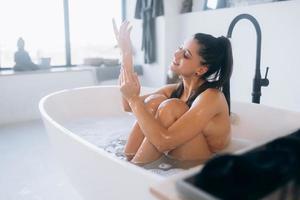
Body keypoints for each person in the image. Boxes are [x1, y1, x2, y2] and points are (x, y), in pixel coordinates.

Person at [113, 20, 233, 165]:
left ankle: (134, 170)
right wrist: (126, 53)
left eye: (186, 55)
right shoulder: (175, 90)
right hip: (174, 159)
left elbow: (164, 142)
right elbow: (127, 106)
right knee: (153, 102)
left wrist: (133, 99)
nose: (176, 54)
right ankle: (128, 162)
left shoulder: (212, 97)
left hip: (202, 167)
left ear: (201, 70)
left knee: (172, 107)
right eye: (180, 48)